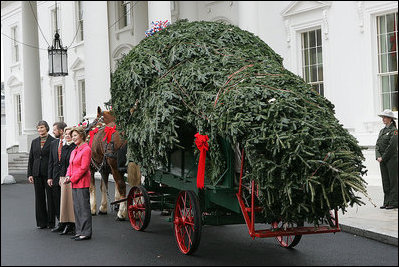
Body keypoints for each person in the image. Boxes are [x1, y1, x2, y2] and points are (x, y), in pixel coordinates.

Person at [65, 127, 92, 240]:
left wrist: (72, 178)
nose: (73, 138)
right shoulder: (74, 150)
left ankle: (85, 233)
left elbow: (84, 168)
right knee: (77, 208)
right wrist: (67, 175)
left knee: (84, 208)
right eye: (72, 136)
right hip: (74, 182)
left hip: (82, 182)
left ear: (81, 135)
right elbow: (70, 166)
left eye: (75, 135)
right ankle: (79, 231)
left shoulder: (86, 149)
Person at [28, 120, 56, 229]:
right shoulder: (34, 142)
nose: (40, 130)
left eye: (42, 127)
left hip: (48, 174)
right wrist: (30, 174)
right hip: (36, 173)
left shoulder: (53, 141)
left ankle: (51, 222)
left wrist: (52, 174)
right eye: (38, 128)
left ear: (47, 128)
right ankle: (41, 222)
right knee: (39, 198)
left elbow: (53, 159)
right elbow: (31, 158)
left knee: (50, 198)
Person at [375, 109, 398, 209]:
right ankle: (387, 202)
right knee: (385, 181)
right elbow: (377, 145)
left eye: (385, 117)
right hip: (382, 160)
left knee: (393, 181)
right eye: (383, 117)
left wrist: (383, 157)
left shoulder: (394, 131)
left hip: (391, 159)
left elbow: (392, 146)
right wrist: (378, 156)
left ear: (391, 119)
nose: (383, 119)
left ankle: (394, 202)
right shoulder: (382, 131)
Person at [48, 121, 67, 232]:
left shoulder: (68, 143)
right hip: (54, 176)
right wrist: (49, 177)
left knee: (66, 200)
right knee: (56, 200)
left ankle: (68, 223)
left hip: (65, 176)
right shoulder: (54, 144)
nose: (53, 132)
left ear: (61, 131)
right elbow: (51, 161)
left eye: (54, 130)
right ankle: (60, 222)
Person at [58, 127, 77, 235]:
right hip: (64, 177)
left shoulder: (75, 147)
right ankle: (66, 223)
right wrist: (61, 177)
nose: (68, 135)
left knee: (71, 202)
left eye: (70, 134)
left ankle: (73, 224)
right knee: (64, 202)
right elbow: (61, 164)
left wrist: (70, 177)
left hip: (72, 178)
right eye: (66, 134)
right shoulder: (64, 147)